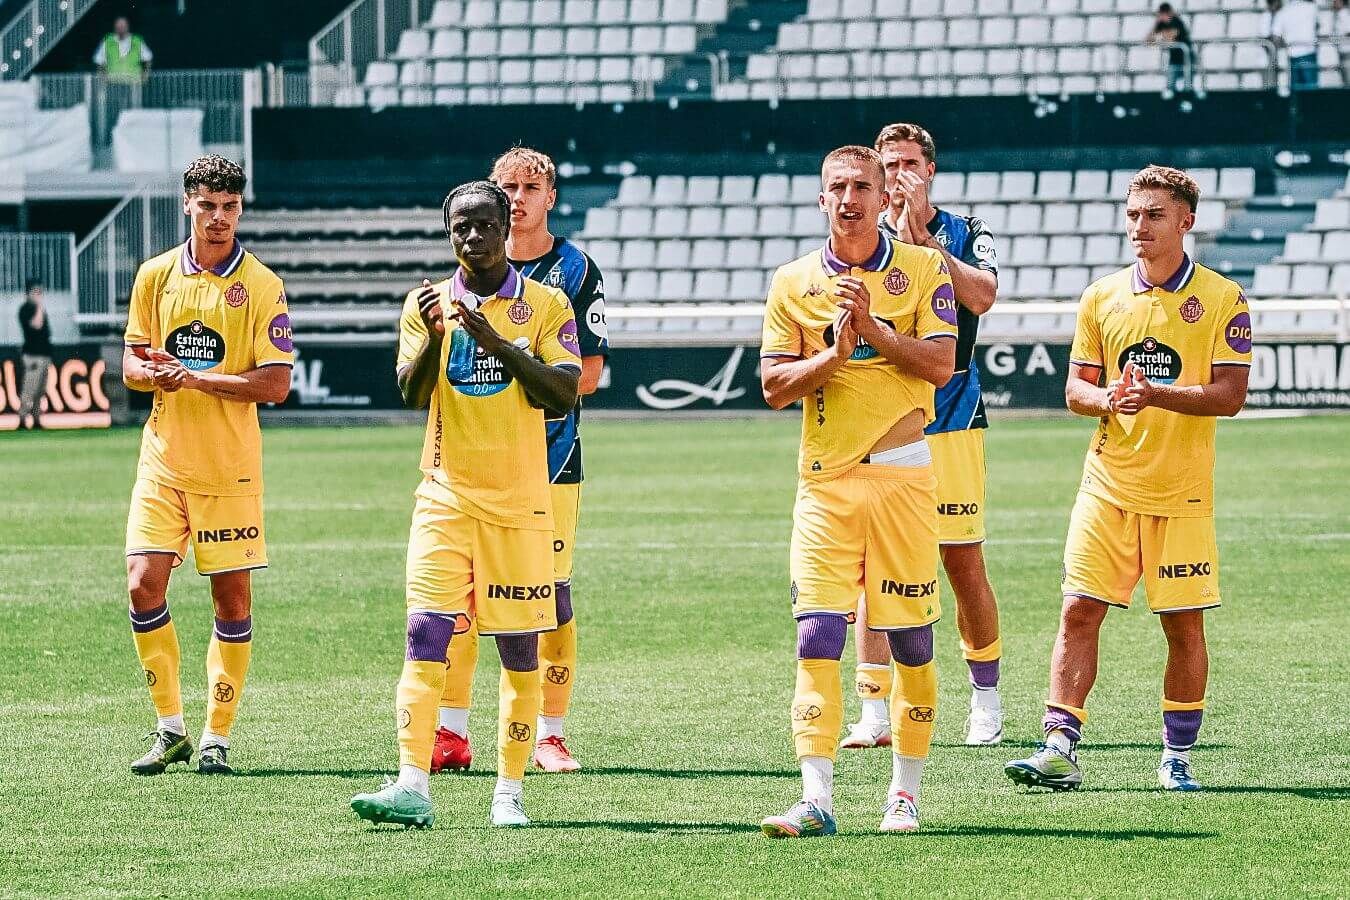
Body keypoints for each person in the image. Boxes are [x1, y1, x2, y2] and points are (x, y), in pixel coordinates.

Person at [1005, 165, 1251, 793]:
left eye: (1154, 215)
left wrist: (1157, 394)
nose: (1140, 226)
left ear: (1186, 221)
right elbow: (1075, 390)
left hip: (1182, 494)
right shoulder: (1101, 296)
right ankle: (1059, 746)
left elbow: (1230, 396)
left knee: (1183, 625)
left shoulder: (1223, 299)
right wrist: (1108, 398)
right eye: (1133, 214)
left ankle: (1176, 757)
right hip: (1107, 486)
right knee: (1077, 610)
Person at [350, 181, 581, 829]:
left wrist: (498, 343)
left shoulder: (546, 304)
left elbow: (563, 394)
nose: (473, 236)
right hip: (444, 498)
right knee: (424, 635)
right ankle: (411, 782)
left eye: (485, 224)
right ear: (448, 232)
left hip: (520, 506)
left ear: (508, 226)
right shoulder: (425, 304)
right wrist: (433, 337)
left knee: (518, 649)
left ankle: (508, 793)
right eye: (461, 227)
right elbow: (411, 394)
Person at [759, 145, 956, 836]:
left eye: (862, 187)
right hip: (825, 481)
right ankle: (816, 798)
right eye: (837, 187)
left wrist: (872, 329)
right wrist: (834, 355)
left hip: (902, 473)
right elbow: (773, 386)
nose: (849, 199)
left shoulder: (923, 269)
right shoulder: (793, 281)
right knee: (816, 633)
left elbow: (941, 363)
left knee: (911, 640)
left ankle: (904, 793)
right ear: (822, 199)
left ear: (884, 196)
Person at [432, 148, 609, 776]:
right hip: (471, 468)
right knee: (458, 600)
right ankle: (451, 731)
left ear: (551, 197)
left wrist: (518, 371)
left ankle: (550, 733)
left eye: (531, 187)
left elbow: (588, 373)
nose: (519, 197)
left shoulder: (574, 271)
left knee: (550, 597)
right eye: (507, 187)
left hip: (551, 461)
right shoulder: (461, 278)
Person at [121, 155, 293, 777]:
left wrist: (195, 378)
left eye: (230, 206)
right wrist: (156, 376)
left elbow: (275, 383)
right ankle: (170, 727)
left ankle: (217, 734)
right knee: (142, 583)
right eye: (208, 205)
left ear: (240, 209)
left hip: (229, 470)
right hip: (163, 462)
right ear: (187, 205)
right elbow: (132, 364)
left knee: (231, 599)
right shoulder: (154, 276)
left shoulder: (263, 285)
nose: (219, 217)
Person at [841, 122, 1005, 751]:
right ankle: (873, 710)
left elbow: (983, 297)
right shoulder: (863, 241)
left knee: (962, 560)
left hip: (953, 417)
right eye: (889, 166)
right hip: (883, 420)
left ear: (929, 170)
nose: (899, 176)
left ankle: (985, 699)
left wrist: (924, 243)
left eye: (909, 164)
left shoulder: (966, 231)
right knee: (872, 568)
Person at [17, 279, 53, 431]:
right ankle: (22, 418)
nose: (39, 295)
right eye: (36, 292)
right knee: (29, 388)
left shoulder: (40, 310)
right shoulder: (25, 309)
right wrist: (39, 306)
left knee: (40, 390)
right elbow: (36, 325)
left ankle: (37, 418)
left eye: (40, 292)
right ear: (28, 294)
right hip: (33, 356)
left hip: (44, 355)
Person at [1267, 0, 1320, 91]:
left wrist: (1286, 44)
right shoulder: (1312, 7)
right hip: (1309, 52)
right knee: (1311, 90)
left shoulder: (1282, 11)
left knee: (1296, 91)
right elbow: (1318, 26)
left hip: (1292, 55)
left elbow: (1275, 37)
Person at [1146, 4, 1194, 93]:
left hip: (1186, 57)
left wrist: (1161, 37)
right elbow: (1149, 40)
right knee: (1170, 86)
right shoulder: (1161, 23)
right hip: (1174, 58)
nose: (1162, 17)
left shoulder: (1176, 21)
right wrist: (1156, 25)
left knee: (1187, 86)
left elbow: (1171, 37)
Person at [93, 16, 152, 84]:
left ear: (128, 26)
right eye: (118, 25)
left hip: (134, 84)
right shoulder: (107, 41)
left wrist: (145, 76)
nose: (121, 27)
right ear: (114, 27)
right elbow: (99, 61)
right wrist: (102, 78)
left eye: (123, 25)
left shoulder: (137, 40)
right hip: (113, 84)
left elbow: (148, 59)